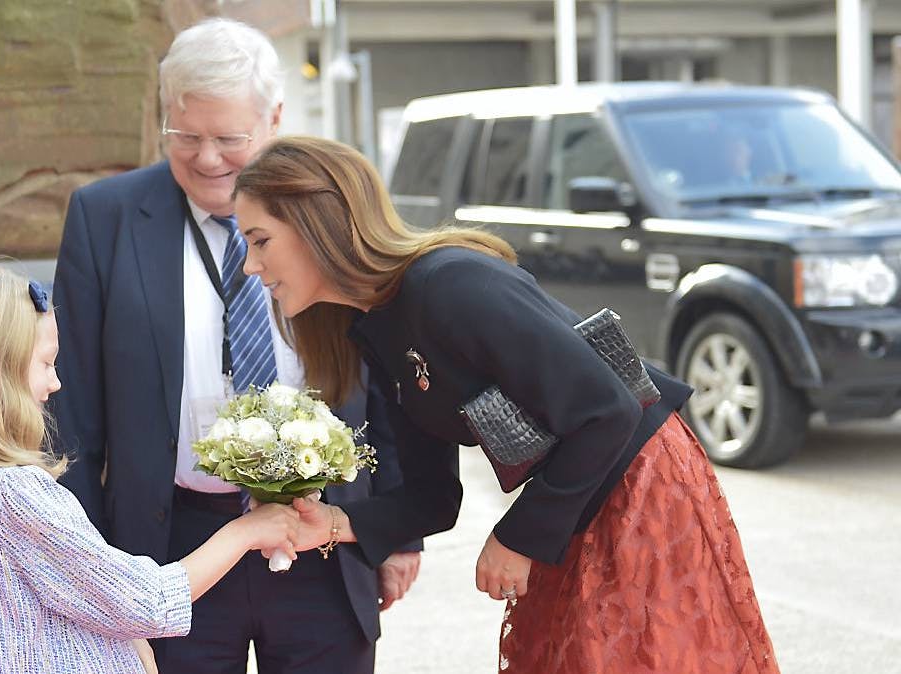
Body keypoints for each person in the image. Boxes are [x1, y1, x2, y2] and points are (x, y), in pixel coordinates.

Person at [232, 136, 781, 673]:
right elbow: (431, 498)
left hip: (636, 479)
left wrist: (517, 538)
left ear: (315, 224)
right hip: (571, 491)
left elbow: (607, 410)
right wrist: (330, 521)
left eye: (260, 241)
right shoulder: (375, 326)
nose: (250, 267)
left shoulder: (450, 281)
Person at [50, 18, 419, 674]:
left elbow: (386, 378)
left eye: (228, 138)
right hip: (169, 548)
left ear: (274, 118)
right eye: (185, 137)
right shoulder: (104, 218)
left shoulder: (332, 208)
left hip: (323, 538)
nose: (208, 158)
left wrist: (396, 528)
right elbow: (71, 407)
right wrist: (92, 566)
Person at [0, 260, 302, 673]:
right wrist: (246, 531)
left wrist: (125, 630)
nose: (56, 383)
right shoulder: (12, 494)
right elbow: (148, 600)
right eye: (46, 363)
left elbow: (81, 594)